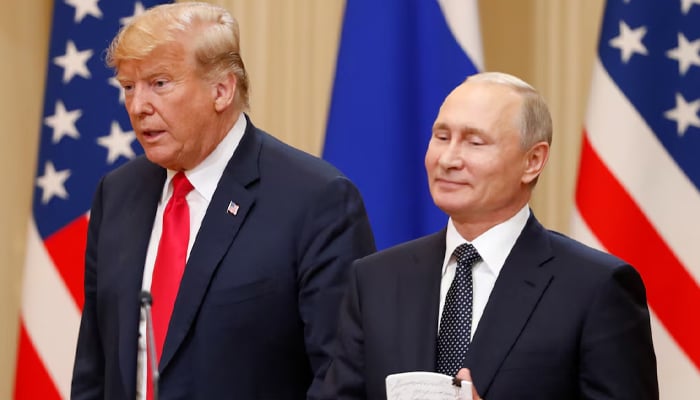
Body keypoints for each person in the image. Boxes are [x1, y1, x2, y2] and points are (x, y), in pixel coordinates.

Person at [70, 3, 375, 399]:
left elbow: (342, 378)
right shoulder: (117, 193)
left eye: (159, 83)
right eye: (129, 87)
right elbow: (94, 366)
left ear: (222, 90)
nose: (138, 105)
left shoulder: (316, 200)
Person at [324, 72, 658, 399]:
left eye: (474, 142)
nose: (448, 159)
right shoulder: (375, 279)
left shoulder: (595, 287)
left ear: (533, 161)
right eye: (441, 137)